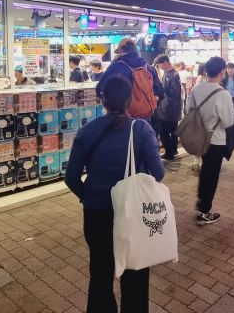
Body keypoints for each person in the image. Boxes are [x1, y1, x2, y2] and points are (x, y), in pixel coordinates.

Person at [65, 75, 165, 313]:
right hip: (133, 214)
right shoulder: (141, 129)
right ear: (130, 99)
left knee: (100, 274)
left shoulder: (86, 131)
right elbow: (158, 173)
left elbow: (71, 178)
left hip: (96, 214)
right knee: (135, 272)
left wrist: (89, 195)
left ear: (103, 99)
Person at [186, 57, 234, 225]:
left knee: (205, 172)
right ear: (222, 72)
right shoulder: (223, 94)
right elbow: (228, 121)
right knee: (211, 175)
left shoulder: (196, 88)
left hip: (199, 137)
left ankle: (201, 202)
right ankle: (205, 211)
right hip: (216, 140)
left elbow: (187, 111)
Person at [95, 40, 163, 115]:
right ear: (135, 49)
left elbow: (99, 89)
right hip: (146, 115)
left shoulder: (115, 67)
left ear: (121, 50)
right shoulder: (149, 68)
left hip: (122, 116)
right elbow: (159, 92)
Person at [155, 55, 182, 161]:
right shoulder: (167, 73)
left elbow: (175, 92)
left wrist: (163, 88)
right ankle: (173, 150)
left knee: (163, 131)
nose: (160, 67)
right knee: (173, 130)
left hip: (170, 108)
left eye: (160, 64)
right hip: (168, 107)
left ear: (165, 62)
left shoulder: (174, 75)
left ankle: (169, 153)